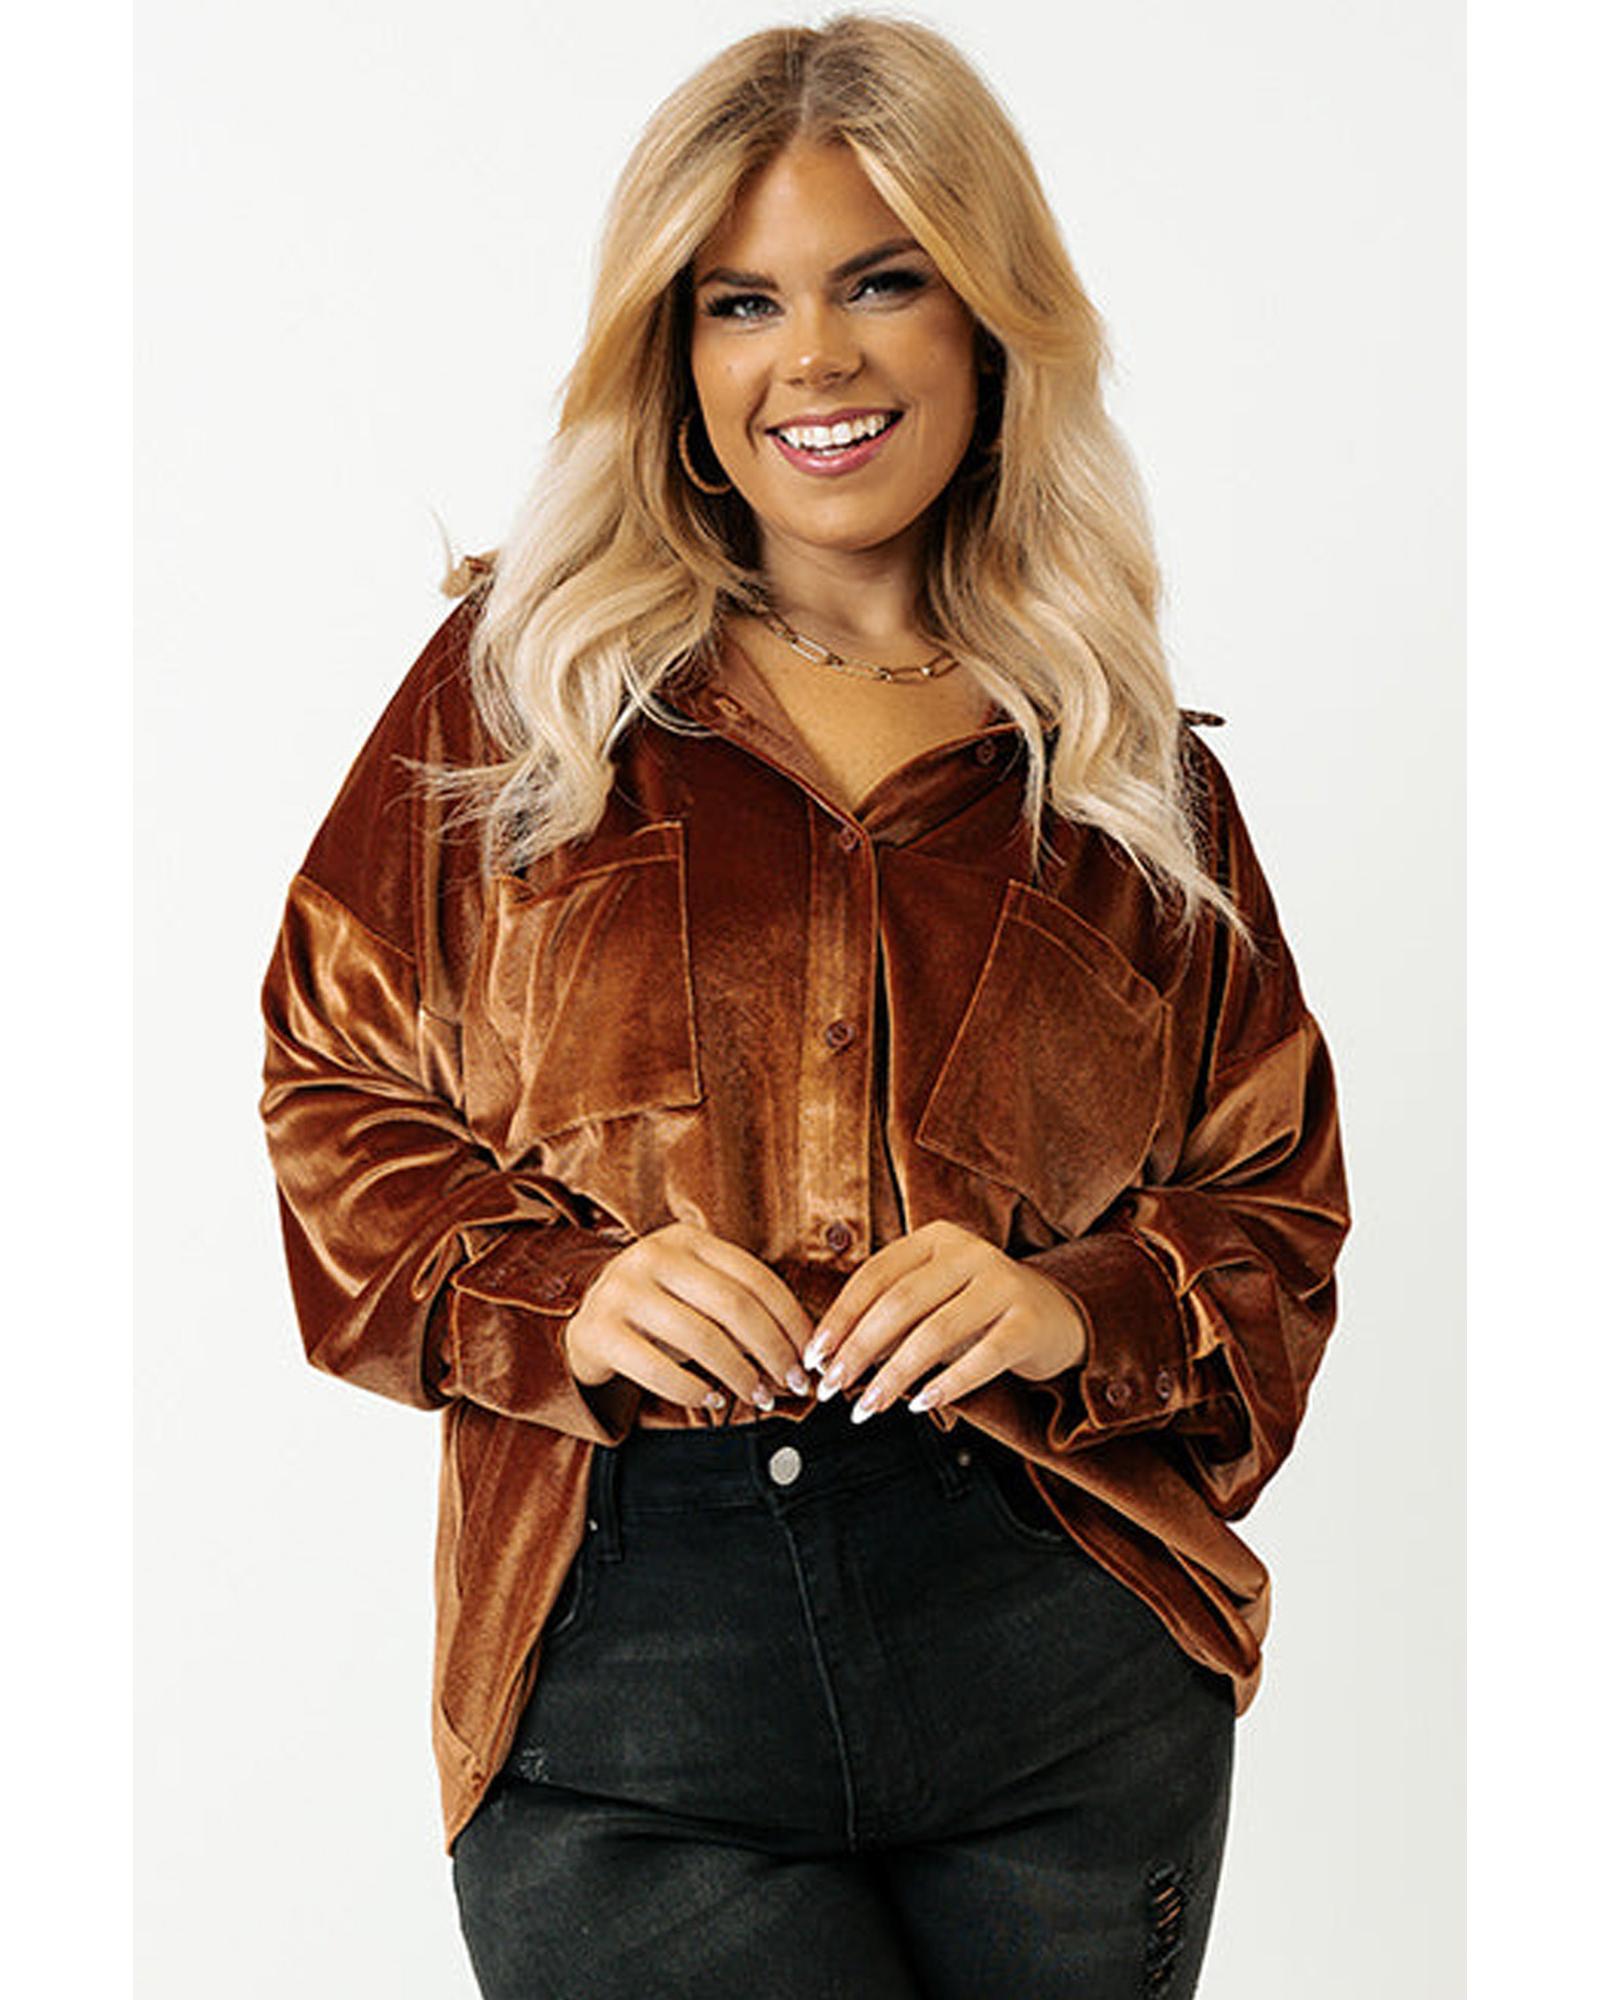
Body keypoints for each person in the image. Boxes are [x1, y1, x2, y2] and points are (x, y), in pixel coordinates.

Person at [259, 15, 1350, 1997]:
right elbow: (330, 1085)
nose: (814, 358)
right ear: (675, 355)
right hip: (629, 1686)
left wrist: (1067, 1306)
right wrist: (561, 1294)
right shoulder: (526, 697)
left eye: (882, 281)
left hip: (1058, 1675)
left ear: (990, 322)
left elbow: (1276, 1209)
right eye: (742, 301)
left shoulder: (1123, 783)